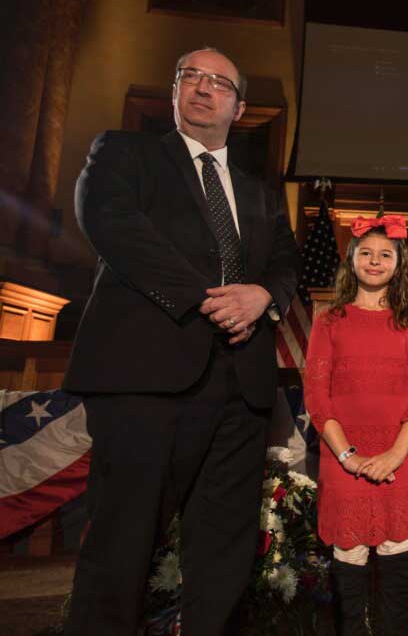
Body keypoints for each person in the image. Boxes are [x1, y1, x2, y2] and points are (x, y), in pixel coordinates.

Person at [63, 47, 300, 635]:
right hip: (146, 379)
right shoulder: (123, 153)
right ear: (173, 93)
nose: (202, 88)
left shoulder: (260, 189)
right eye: (189, 77)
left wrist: (263, 298)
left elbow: (286, 263)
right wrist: (211, 297)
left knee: (223, 554)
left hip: (241, 388)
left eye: (218, 82)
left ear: (239, 107)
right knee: (122, 545)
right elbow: (114, 227)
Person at [304, 215, 408, 636]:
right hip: (343, 463)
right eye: (366, 253)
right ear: (351, 260)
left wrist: (394, 454)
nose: (375, 261)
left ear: (399, 264)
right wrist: (349, 456)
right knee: (349, 560)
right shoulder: (328, 320)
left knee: (397, 561)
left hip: (398, 463)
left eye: (385, 254)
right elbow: (317, 396)